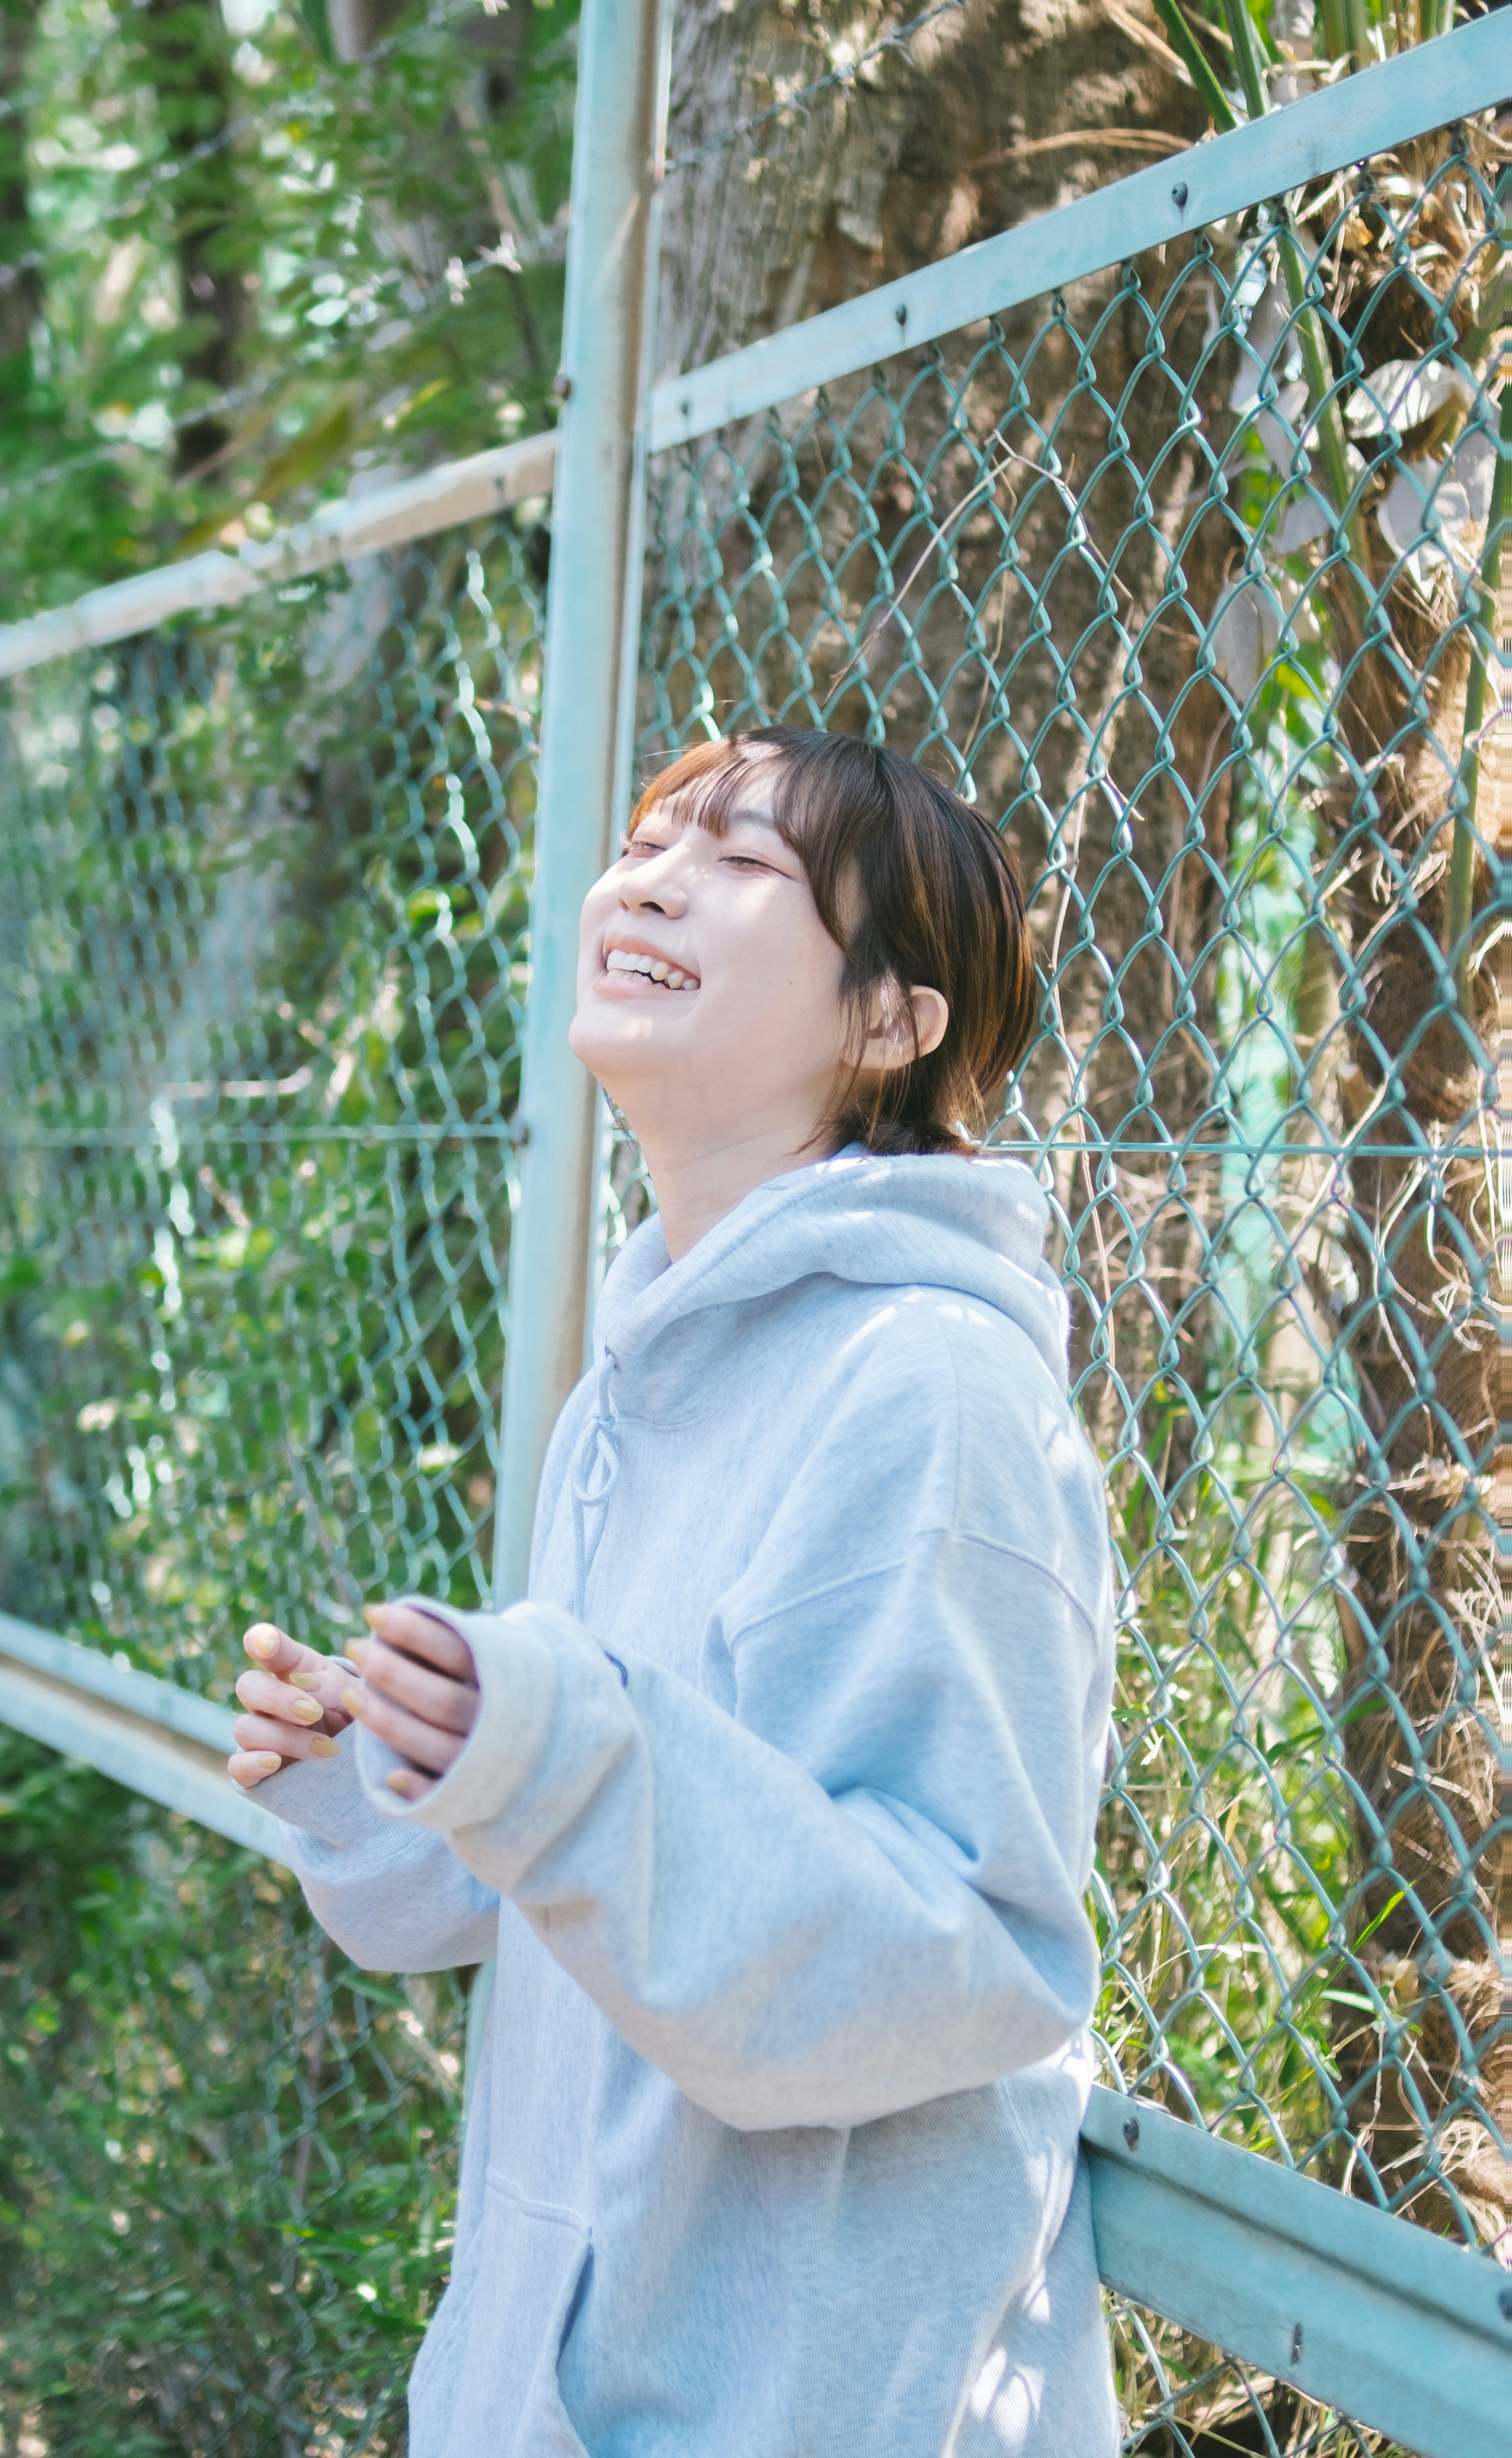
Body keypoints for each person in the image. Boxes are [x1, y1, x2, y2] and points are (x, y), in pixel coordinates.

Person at [229, 727, 1119, 2456]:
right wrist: (396, 1772)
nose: (648, 874)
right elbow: (598, 1885)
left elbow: (975, 1968)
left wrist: (564, 1746)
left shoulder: (929, 1386)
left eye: (742, 862)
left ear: (888, 1019)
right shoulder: (638, 1379)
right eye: (651, 839)